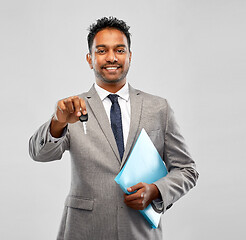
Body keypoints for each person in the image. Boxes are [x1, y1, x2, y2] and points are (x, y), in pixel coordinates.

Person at [29, 16, 198, 240]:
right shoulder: (72, 109)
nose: (111, 58)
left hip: (139, 230)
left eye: (119, 50)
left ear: (130, 56)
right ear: (90, 59)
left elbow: (187, 170)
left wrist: (156, 190)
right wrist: (57, 122)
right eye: (101, 51)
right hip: (84, 230)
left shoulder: (159, 108)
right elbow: (39, 154)